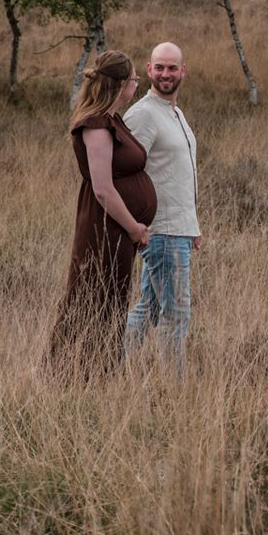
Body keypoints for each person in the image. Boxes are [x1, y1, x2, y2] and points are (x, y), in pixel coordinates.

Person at [45, 50, 157, 377]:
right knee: (90, 299)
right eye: (135, 79)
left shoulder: (111, 119)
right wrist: (135, 228)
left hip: (117, 228)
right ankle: (64, 374)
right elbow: (103, 189)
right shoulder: (95, 126)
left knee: (110, 301)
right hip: (105, 227)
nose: (137, 84)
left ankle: (97, 375)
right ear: (122, 84)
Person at [122, 41, 201, 376]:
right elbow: (124, 171)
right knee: (176, 313)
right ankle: (176, 388)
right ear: (149, 69)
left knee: (150, 308)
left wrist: (193, 227)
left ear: (183, 71)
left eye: (172, 67)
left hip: (179, 227)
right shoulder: (142, 115)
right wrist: (136, 224)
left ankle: (110, 366)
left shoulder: (174, 112)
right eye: (159, 67)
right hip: (161, 229)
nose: (166, 74)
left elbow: (178, 175)